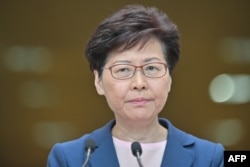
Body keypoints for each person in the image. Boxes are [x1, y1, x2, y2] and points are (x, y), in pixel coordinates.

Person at [47, 4, 224, 167]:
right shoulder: (69, 158)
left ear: (169, 79)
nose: (139, 84)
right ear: (98, 81)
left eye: (152, 68)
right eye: (123, 70)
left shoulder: (211, 157)